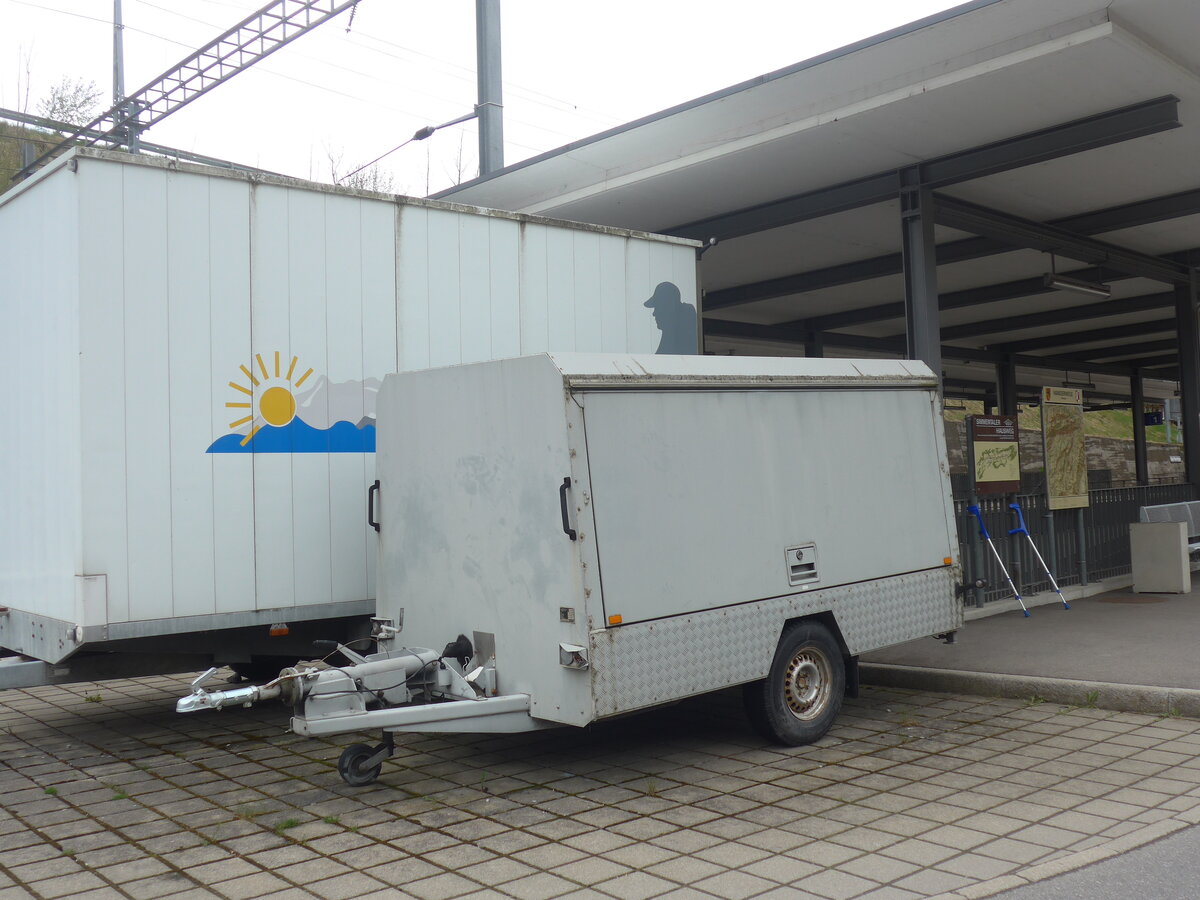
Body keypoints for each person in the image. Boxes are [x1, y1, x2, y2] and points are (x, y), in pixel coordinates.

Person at [643, 281, 697, 354]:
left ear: (667, 307)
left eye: (657, 307)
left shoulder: (678, 332)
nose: (654, 313)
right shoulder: (670, 334)